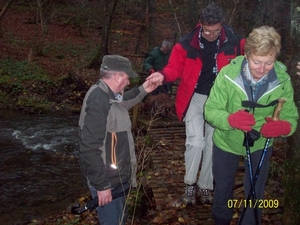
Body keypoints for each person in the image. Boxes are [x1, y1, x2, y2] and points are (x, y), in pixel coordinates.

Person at [146, 3, 245, 205]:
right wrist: (161, 75)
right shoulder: (185, 44)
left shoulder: (235, 42)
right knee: (195, 142)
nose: (210, 35)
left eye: (215, 31)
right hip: (194, 97)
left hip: (220, 101)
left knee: (211, 143)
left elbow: (258, 58)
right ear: (200, 24)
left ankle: (205, 186)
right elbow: (174, 68)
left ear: (222, 25)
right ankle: (189, 185)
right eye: (207, 30)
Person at [204, 25, 298, 225]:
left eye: (269, 63)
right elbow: (210, 110)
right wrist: (230, 119)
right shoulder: (228, 75)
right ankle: (221, 220)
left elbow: (291, 117)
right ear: (247, 55)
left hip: (260, 143)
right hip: (226, 140)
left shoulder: (282, 81)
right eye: (257, 62)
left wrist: (282, 128)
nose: (262, 69)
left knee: (255, 190)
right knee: (222, 188)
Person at [78, 55, 158, 225]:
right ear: (117, 77)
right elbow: (90, 148)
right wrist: (102, 186)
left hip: (116, 180)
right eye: (127, 78)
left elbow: (124, 100)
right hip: (107, 182)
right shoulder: (99, 100)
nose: (128, 82)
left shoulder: (110, 95)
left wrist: (145, 89)